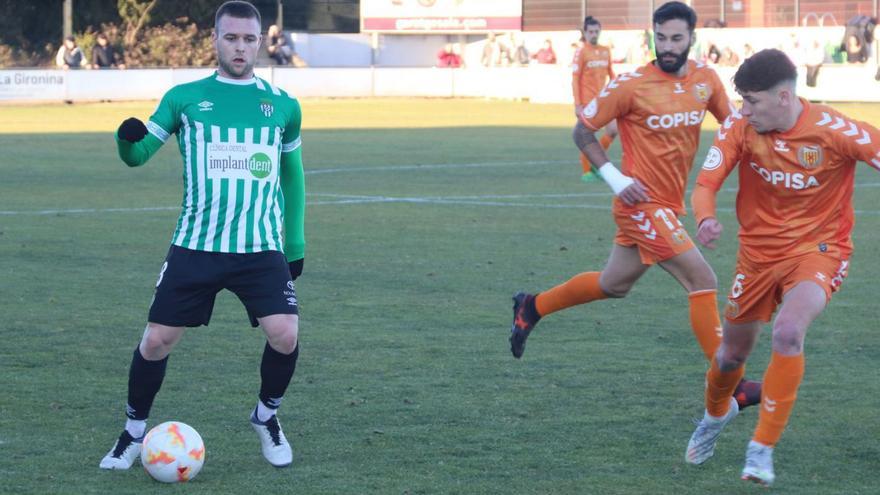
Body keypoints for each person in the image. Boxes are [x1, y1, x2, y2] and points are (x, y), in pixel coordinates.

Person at [509, 2, 761, 409]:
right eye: (660, 37)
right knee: (702, 279)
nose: (667, 46)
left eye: (676, 38)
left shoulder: (706, 80)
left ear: (691, 38)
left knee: (614, 284)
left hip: (668, 206)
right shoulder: (631, 84)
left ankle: (532, 307)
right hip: (640, 205)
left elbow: (732, 127)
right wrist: (615, 178)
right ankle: (733, 384)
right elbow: (583, 131)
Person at [99, 0, 306, 470]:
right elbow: (138, 155)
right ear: (214, 39)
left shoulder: (282, 106)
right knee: (155, 341)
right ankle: (132, 434)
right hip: (197, 244)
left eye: (248, 38)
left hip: (260, 248)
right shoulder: (184, 97)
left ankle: (266, 416)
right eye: (230, 37)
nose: (239, 46)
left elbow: (293, 177)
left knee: (286, 334)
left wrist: (294, 245)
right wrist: (125, 138)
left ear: (259, 42)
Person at [684, 49, 880, 486]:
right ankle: (715, 416)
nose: (744, 110)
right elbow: (706, 182)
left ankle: (761, 450)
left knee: (789, 332)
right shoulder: (739, 126)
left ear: (784, 96)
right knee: (730, 355)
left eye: (752, 101)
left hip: (819, 250)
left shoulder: (834, 130)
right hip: (755, 257)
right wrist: (706, 217)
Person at [571, 17, 615, 183]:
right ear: (585, 32)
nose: (594, 34)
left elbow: (611, 73)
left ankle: (596, 164)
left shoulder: (605, 50)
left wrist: (616, 90)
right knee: (588, 136)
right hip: (587, 102)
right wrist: (578, 104)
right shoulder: (581, 52)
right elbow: (575, 79)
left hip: (603, 99)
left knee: (613, 130)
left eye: (597, 31)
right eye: (591, 32)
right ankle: (587, 171)